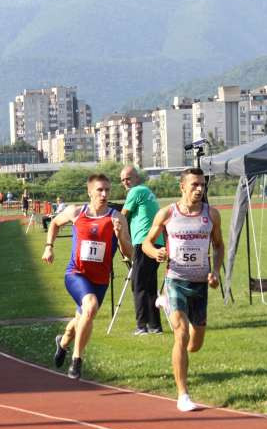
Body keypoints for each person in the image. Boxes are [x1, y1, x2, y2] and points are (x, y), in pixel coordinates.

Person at [142, 168, 224, 412]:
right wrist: (155, 252)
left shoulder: (212, 215)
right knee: (181, 333)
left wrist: (216, 271)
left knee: (194, 344)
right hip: (175, 279)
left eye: (202, 185)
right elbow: (146, 242)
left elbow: (219, 246)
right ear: (182, 187)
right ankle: (183, 395)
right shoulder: (167, 213)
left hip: (200, 284)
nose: (199, 189)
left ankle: (167, 305)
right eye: (194, 185)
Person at [43, 173, 133, 380]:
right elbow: (55, 223)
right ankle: (77, 360)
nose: (104, 194)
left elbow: (129, 253)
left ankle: (63, 342)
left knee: (83, 316)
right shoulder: (76, 211)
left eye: (107, 190)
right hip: (76, 274)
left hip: (100, 279)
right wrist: (49, 247)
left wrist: (119, 236)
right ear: (89, 192)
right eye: (100, 190)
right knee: (90, 306)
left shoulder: (116, 217)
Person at [120, 166, 163, 336]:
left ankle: (141, 326)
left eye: (128, 178)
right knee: (150, 285)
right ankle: (155, 326)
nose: (125, 182)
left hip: (143, 242)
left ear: (137, 178)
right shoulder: (147, 191)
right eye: (122, 180)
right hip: (157, 242)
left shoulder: (135, 191)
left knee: (138, 284)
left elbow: (123, 215)